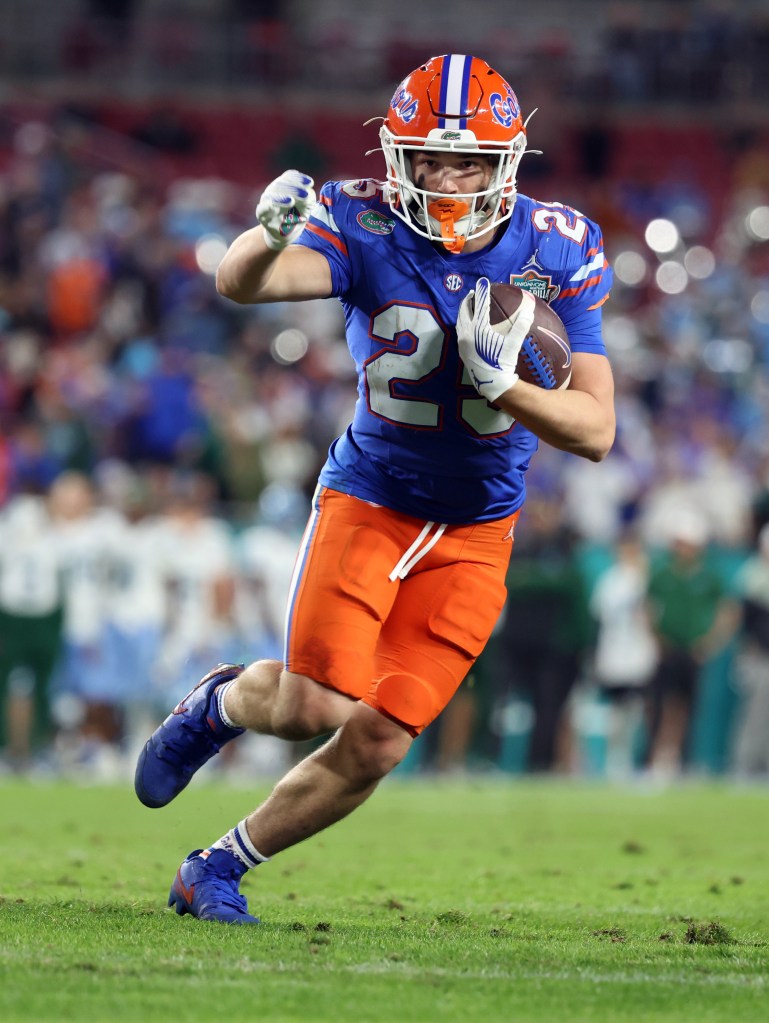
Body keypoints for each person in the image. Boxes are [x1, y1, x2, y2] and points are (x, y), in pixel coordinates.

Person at [134, 54, 615, 924]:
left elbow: (595, 429)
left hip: (479, 528)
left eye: (467, 161)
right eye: (429, 158)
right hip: (375, 497)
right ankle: (219, 701)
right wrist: (267, 233)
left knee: (380, 737)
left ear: (505, 164)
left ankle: (214, 867)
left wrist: (503, 385)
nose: (445, 177)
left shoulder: (558, 244)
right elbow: (242, 283)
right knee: (309, 704)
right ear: (400, 157)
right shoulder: (362, 220)